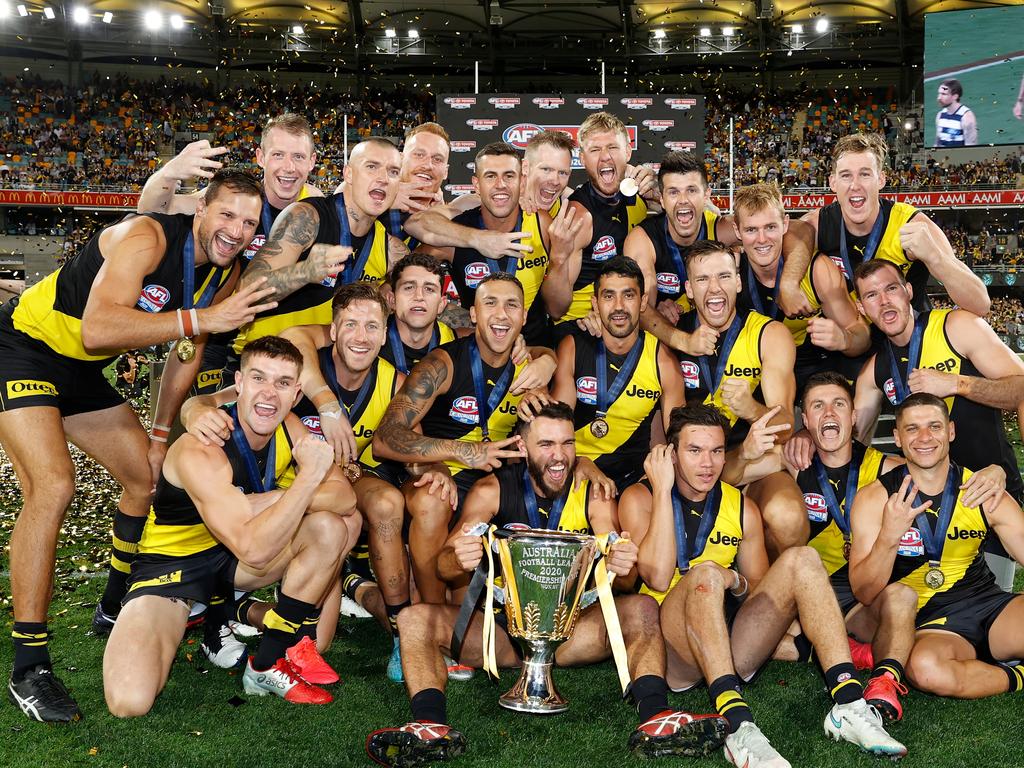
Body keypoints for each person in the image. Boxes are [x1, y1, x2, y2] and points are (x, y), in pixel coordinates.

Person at [0, 169, 276, 722]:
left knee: (145, 479)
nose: (236, 230)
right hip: (23, 346)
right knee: (54, 486)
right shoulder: (148, 236)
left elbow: (186, 352)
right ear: (200, 210)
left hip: (81, 372)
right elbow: (98, 329)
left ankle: (110, 607)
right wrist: (202, 318)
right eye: (226, 215)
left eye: (249, 222)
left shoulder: (225, 272)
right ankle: (29, 664)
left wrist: (158, 430)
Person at [365, 402, 728, 767]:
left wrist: (622, 565)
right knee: (413, 620)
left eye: (567, 444)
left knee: (642, 608)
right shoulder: (492, 490)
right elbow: (446, 564)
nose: (559, 456)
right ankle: (429, 725)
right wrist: (457, 556)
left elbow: (626, 577)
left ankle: (656, 716)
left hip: (573, 633)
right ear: (523, 448)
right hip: (503, 635)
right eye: (546, 445)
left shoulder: (592, 494)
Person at [624, 404, 907, 768]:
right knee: (706, 574)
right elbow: (658, 578)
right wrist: (663, 491)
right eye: (694, 451)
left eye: (716, 451)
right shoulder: (641, 497)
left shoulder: (741, 507)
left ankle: (849, 704)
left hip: (728, 643)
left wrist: (736, 580)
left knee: (803, 558)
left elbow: (757, 594)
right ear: (671, 454)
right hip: (675, 652)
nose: (707, 463)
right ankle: (739, 727)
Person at [101, 337, 360, 716]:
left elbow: (345, 497)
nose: (269, 394)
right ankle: (220, 610)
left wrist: (264, 501)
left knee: (337, 525)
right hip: (175, 566)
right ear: (238, 383)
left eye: (284, 383)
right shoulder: (202, 446)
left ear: (297, 393)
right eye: (259, 378)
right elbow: (253, 546)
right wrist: (304, 483)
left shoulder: (289, 426)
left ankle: (266, 661)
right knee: (130, 700)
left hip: (237, 562)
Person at [733, 372, 1007, 722]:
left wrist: (995, 470)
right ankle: (849, 651)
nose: (829, 414)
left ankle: (865, 661)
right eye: (818, 406)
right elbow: (720, 477)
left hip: (863, 597)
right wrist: (744, 454)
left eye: (838, 405)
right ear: (806, 419)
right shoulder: (793, 459)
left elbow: (945, 473)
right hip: (808, 590)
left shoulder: (890, 469)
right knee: (754, 639)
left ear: (853, 417)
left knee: (900, 600)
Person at [372, 273, 556, 606]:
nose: (501, 314)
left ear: (524, 317)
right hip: (443, 477)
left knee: (466, 606)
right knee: (432, 500)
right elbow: (384, 439)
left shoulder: (530, 366)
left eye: (511, 305)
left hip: (498, 487)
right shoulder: (442, 363)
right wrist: (461, 451)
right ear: (473, 314)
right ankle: (430, 614)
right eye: (490, 303)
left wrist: (548, 363)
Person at [852, 259, 1024, 588]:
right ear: (862, 308)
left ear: (909, 292)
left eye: (891, 289)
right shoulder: (875, 371)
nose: (884, 301)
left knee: (991, 612)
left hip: (987, 493)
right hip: (924, 510)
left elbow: (1021, 388)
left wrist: (957, 384)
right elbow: (849, 441)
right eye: (872, 295)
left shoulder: (956, 326)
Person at [849, 393, 1024, 699]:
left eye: (934, 426)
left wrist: (999, 471)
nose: (925, 437)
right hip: (930, 623)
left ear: (950, 431)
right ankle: (1016, 675)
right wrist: (890, 536)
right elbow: (863, 592)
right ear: (897, 438)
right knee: (926, 670)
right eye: (912, 429)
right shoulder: (874, 498)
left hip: (988, 605)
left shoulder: (980, 490)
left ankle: (992, 657)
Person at [137, 114, 324, 396]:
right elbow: (152, 211)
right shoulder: (239, 200)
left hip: (294, 346)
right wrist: (167, 174)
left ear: (312, 161)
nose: (289, 167)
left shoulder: (320, 208)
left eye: (298, 157)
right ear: (260, 157)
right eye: (278, 155)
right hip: (225, 338)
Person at [673, 240, 807, 557]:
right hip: (690, 467)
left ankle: (771, 599)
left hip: (753, 466)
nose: (714, 289)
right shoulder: (673, 336)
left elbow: (786, 427)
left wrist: (751, 409)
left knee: (788, 518)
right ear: (689, 289)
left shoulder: (769, 334)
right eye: (703, 279)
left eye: (723, 276)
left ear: (738, 281)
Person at [236, 137, 401, 374]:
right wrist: (305, 272)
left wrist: (388, 292)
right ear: (349, 174)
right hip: (263, 365)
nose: (383, 179)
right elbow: (247, 293)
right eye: (372, 167)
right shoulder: (306, 217)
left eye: (393, 172)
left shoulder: (388, 247)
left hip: (322, 370)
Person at [777, 133, 989, 318]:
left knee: (969, 326)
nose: (855, 185)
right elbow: (784, 235)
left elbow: (980, 304)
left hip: (907, 338)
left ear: (881, 179)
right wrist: (788, 283)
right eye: (846, 175)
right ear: (833, 183)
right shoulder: (816, 224)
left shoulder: (911, 224)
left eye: (865, 174)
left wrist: (936, 258)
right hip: (850, 339)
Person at [403, 142, 566, 344]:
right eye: (490, 176)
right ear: (476, 185)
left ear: (522, 183)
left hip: (535, 355)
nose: (500, 184)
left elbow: (558, 310)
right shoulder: (457, 232)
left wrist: (559, 262)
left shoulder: (541, 223)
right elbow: (403, 273)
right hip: (480, 355)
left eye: (509, 176)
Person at [547, 256, 685, 492]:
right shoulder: (573, 347)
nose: (619, 306)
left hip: (635, 479)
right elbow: (555, 431)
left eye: (628, 295)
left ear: (642, 302)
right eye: (609, 296)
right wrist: (579, 462)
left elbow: (679, 440)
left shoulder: (663, 360)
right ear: (595, 303)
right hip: (576, 469)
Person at [732, 183, 870, 381]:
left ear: (786, 224)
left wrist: (844, 339)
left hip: (812, 364)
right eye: (751, 230)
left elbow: (861, 336)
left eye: (771, 227)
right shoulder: (729, 268)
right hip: (754, 365)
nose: (762, 239)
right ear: (737, 231)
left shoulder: (818, 271)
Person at [541, 112, 657, 331]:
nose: (605, 157)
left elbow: (701, 214)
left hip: (628, 317)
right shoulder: (579, 216)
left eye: (612, 147)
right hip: (581, 326)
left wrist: (660, 192)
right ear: (583, 159)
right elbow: (556, 309)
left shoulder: (641, 196)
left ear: (628, 151)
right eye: (595, 150)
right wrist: (557, 259)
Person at [379, 253, 457, 375]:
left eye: (429, 289)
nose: (419, 296)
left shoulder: (456, 347)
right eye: (409, 287)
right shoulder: (371, 343)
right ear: (392, 300)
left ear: (441, 304)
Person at [935, 79, 977, 147]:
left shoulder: (966, 117)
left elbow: (970, 148)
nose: (939, 98)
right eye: (939, 93)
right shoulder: (940, 115)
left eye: (944, 94)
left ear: (955, 96)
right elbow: (937, 144)